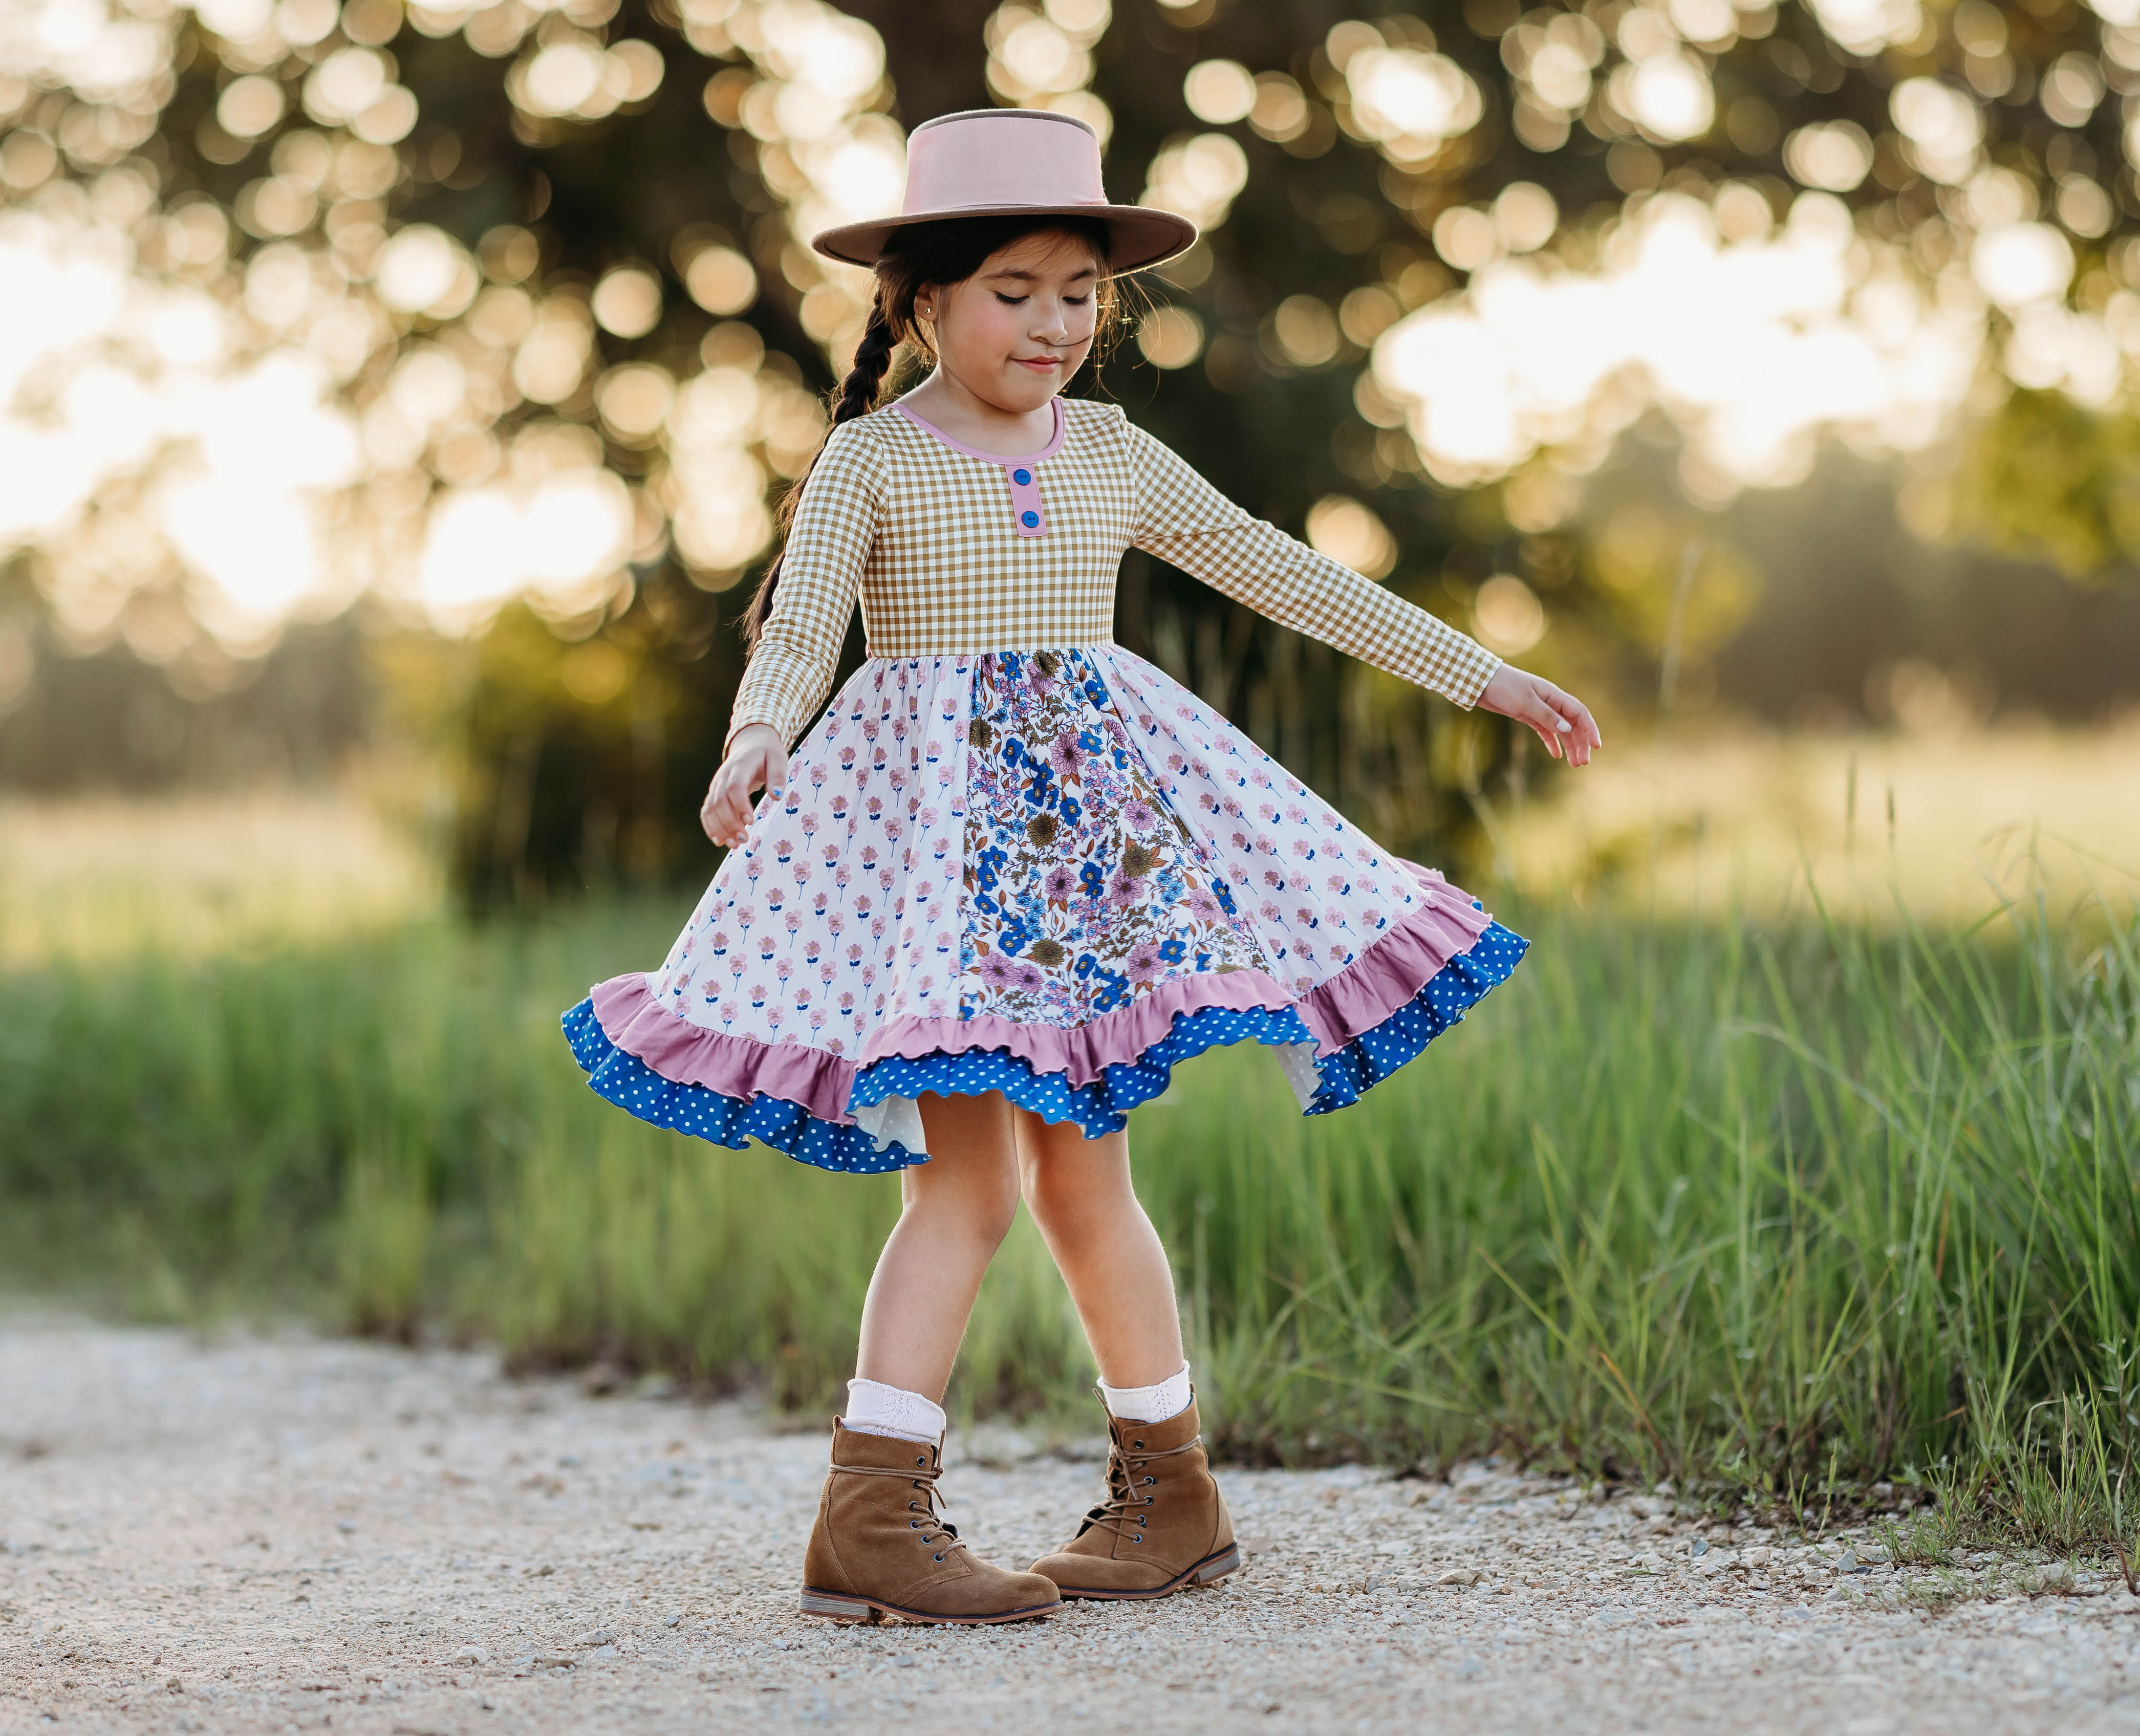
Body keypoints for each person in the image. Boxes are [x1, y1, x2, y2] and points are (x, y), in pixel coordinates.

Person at [562, 107, 1600, 1627]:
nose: (1054, 324)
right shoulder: (871, 461)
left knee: (1080, 1184)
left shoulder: (1110, 450)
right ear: (924, 299)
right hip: (945, 870)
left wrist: (1479, 676)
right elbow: (798, 630)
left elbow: (1279, 568)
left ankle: (1168, 1496)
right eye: (1014, 291)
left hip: (1090, 869)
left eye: (1077, 292)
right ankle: (874, 1511)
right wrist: (754, 740)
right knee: (965, 1187)